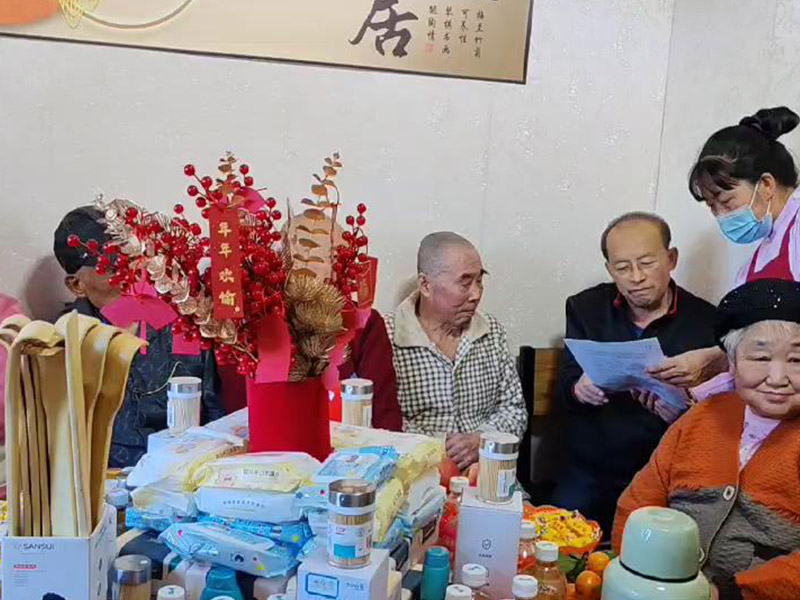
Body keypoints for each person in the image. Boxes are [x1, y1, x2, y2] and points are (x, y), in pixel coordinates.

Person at [614, 279, 800, 600]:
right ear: (732, 363)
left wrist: (727, 594)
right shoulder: (702, 417)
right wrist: (636, 577)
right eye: (760, 358)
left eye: (796, 360)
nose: (777, 377)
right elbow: (638, 504)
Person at [552, 212, 716, 537]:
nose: (636, 277)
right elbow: (565, 387)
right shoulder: (586, 308)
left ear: (671, 259)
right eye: (623, 268)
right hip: (592, 467)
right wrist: (578, 388)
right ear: (610, 270)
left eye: (647, 263)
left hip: (664, 471)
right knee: (560, 541)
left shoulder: (707, 322)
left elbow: (717, 417)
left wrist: (682, 413)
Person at [54, 206, 225, 467]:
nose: (131, 272)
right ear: (77, 285)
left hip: (189, 468)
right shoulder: (66, 342)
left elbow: (216, 412)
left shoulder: (183, 319)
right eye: (113, 266)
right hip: (106, 478)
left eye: (134, 257)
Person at [650, 106, 800, 396]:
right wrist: (694, 393)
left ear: (766, 185)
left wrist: (716, 362)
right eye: (711, 206)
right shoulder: (756, 261)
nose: (720, 215)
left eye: (726, 201)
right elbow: (754, 357)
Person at [386, 232, 526, 472]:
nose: (476, 294)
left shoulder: (491, 330)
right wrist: (438, 452)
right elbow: (383, 422)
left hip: (487, 471)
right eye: (465, 283)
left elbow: (514, 410)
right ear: (426, 285)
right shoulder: (388, 335)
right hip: (417, 475)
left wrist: (482, 440)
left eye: (479, 281)